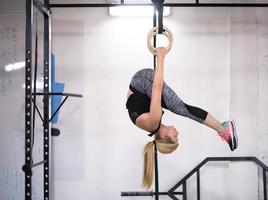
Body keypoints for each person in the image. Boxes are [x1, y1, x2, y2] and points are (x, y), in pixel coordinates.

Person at [125, 47, 238, 189]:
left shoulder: (153, 122)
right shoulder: (152, 124)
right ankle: (222, 127)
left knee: (179, 107)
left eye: (175, 137)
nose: (177, 133)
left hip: (140, 81)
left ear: (165, 137)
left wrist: (160, 57)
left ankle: (223, 128)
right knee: (178, 107)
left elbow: (157, 88)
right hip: (141, 85)